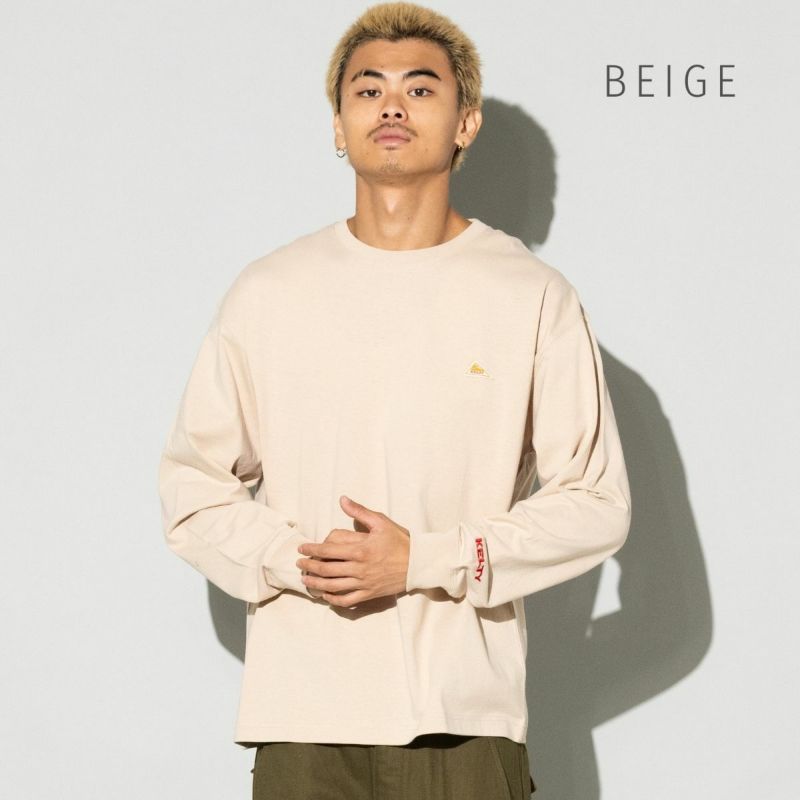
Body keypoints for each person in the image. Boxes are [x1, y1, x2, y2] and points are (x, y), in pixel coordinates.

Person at [157, 2, 632, 798]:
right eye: (368, 89)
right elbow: (191, 489)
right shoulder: (269, 292)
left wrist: (424, 560)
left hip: (462, 720)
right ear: (337, 126)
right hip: (303, 721)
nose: (391, 106)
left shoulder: (530, 295)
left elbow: (597, 504)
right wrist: (300, 562)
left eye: (420, 88)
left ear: (465, 123)